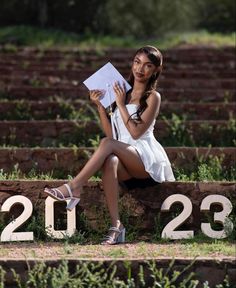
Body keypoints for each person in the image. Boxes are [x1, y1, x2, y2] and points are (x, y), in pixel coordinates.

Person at [44, 45, 175, 245]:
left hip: (145, 160)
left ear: (156, 71)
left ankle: (74, 186)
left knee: (108, 146)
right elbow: (112, 136)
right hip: (124, 157)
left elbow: (136, 132)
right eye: (137, 62)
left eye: (148, 66)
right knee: (110, 159)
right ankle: (116, 226)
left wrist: (121, 105)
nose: (140, 69)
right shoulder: (120, 92)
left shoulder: (152, 97)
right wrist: (100, 106)